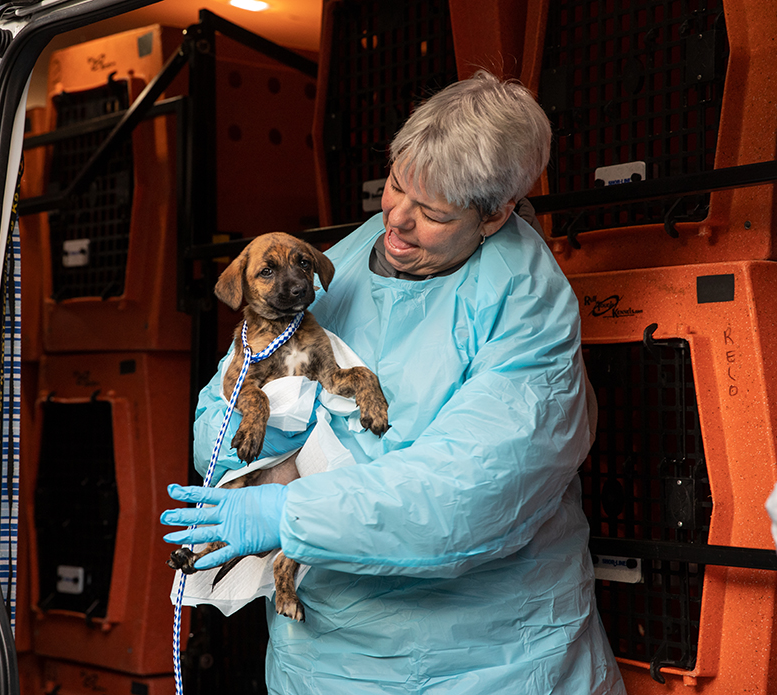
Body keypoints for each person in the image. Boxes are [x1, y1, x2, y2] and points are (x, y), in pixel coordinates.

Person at [161, 71, 626, 694]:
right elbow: (226, 402)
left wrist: (289, 510)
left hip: (483, 663)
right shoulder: (344, 260)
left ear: (494, 215)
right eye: (396, 185)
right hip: (318, 659)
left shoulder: (526, 306)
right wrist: (258, 444)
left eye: (431, 212)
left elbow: (471, 492)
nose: (397, 220)